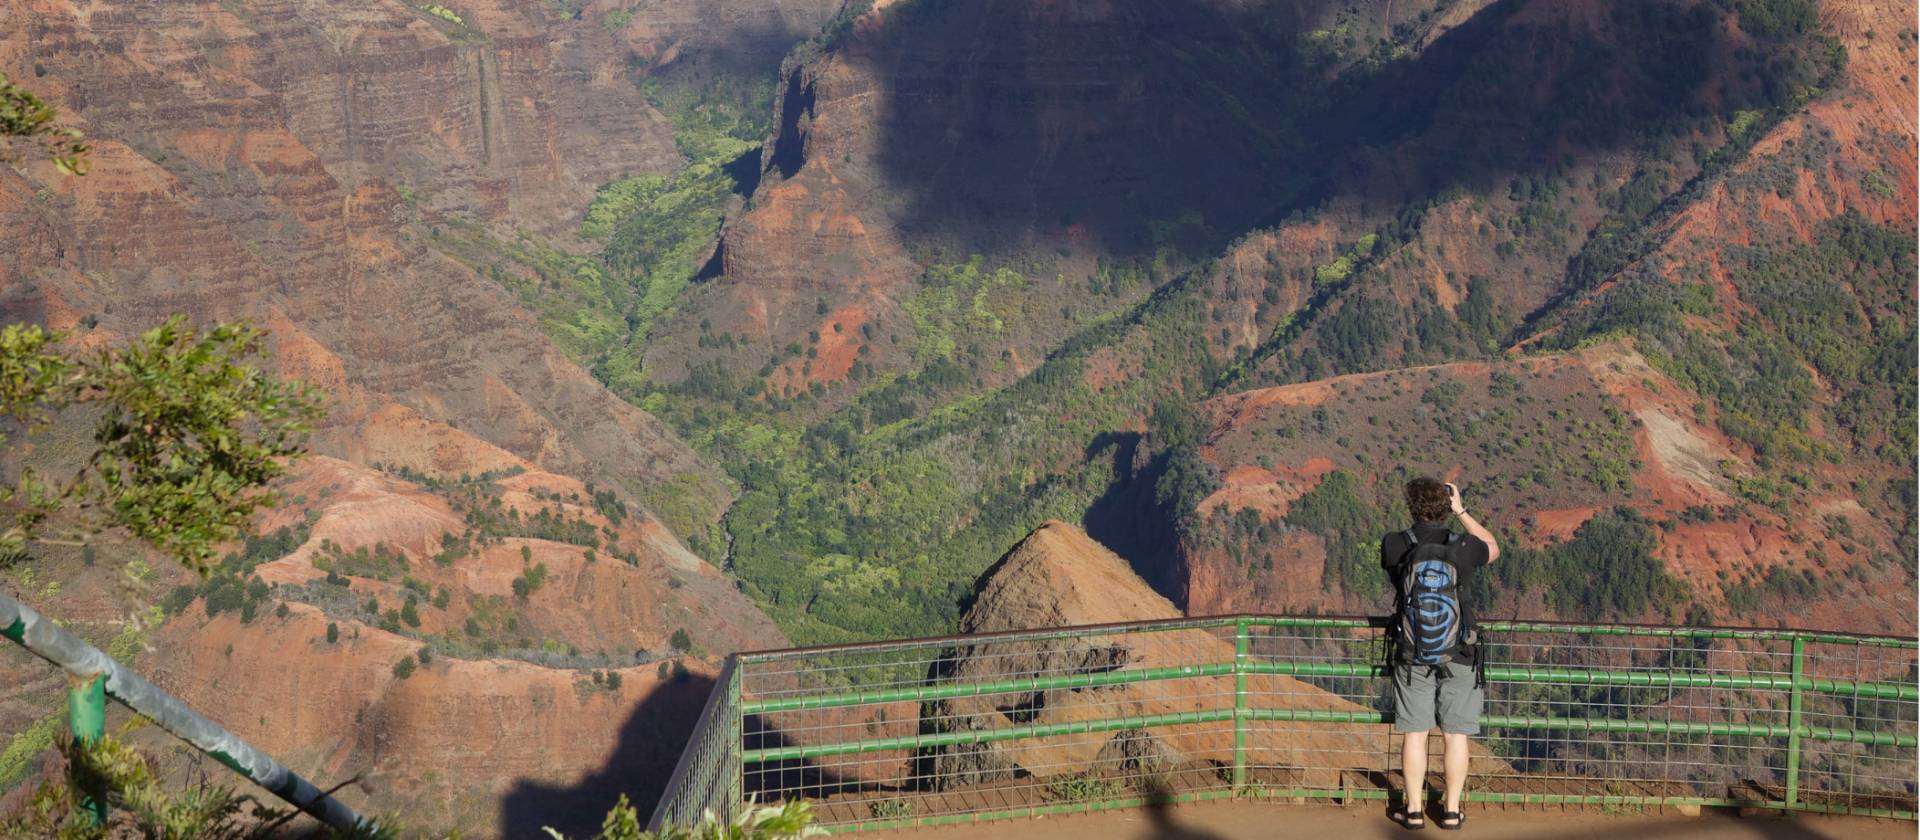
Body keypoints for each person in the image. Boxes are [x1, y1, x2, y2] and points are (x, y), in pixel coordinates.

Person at [1382, 477, 1498, 831]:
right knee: (1455, 734)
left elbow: (1397, 585)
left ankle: (1414, 810)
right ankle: (1450, 810)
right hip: (1459, 650)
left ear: (1412, 506)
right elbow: (1493, 547)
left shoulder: (1395, 544)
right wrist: (1461, 510)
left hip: (1412, 649)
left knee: (1415, 733)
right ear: (1445, 506)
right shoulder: (1463, 545)